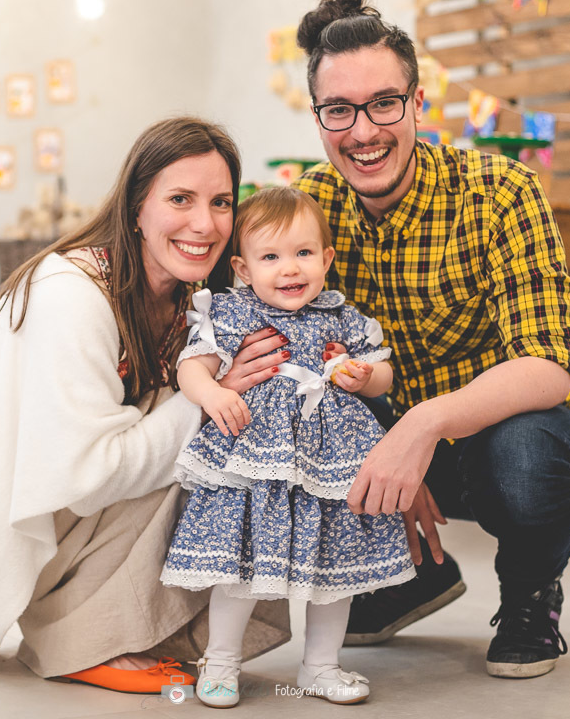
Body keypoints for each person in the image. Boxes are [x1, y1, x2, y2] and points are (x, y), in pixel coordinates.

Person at [0, 116, 295, 694]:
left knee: (240, 427)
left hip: (70, 505)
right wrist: (207, 400)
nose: (205, 224)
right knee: (212, 428)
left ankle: (144, 625)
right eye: (180, 198)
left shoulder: (194, 295)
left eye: (221, 202)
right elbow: (85, 474)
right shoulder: (73, 294)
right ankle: (81, 637)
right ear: (136, 208)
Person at [291, 0, 570, 679]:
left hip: (527, 436)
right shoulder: (309, 207)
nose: (363, 130)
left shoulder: (499, 191)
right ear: (318, 118)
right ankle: (408, 573)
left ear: (417, 104)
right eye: (339, 110)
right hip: (400, 448)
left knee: (524, 463)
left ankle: (531, 592)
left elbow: (546, 365)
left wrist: (420, 428)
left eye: (384, 103)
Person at [160, 187, 411, 707]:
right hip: (256, 460)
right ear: (244, 268)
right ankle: (222, 661)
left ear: (326, 258)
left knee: (332, 573)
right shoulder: (234, 313)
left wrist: (364, 376)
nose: (289, 269)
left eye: (302, 253)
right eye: (270, 257)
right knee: (240, 568)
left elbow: (384, 374)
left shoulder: (341, 317)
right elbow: (194, 364)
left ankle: (320, 666)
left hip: (330, 462)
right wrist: (213, 393)